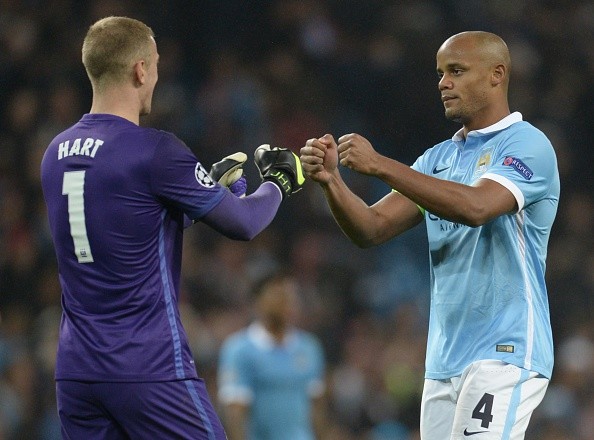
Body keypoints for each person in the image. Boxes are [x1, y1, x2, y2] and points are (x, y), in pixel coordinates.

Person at [40, 16, 303, 440]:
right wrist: (277, 183)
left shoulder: (54, 153)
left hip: (76, 373)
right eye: (156, 64)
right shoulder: (154, 150)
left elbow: (123, 226)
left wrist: (193, 199)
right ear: (141, 69)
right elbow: (245, 223)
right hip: (147, 367)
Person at [300, 31, 560, 440]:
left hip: (505, 351)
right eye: (440, 73)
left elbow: (476, 207)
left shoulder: (528, 144)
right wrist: (331, 182)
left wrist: (381, 165)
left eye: (456, 71)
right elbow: (371, 229)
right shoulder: (437, 159)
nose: (443, 83)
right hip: (444, 361)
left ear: (497, 74)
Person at [217, 271, 327, 440]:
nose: (287, 301)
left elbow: (316, 407)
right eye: (279, 294)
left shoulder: (309, 347)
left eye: (291, 295)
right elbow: (235, 414)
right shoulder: (239, 350)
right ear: (257, 301)